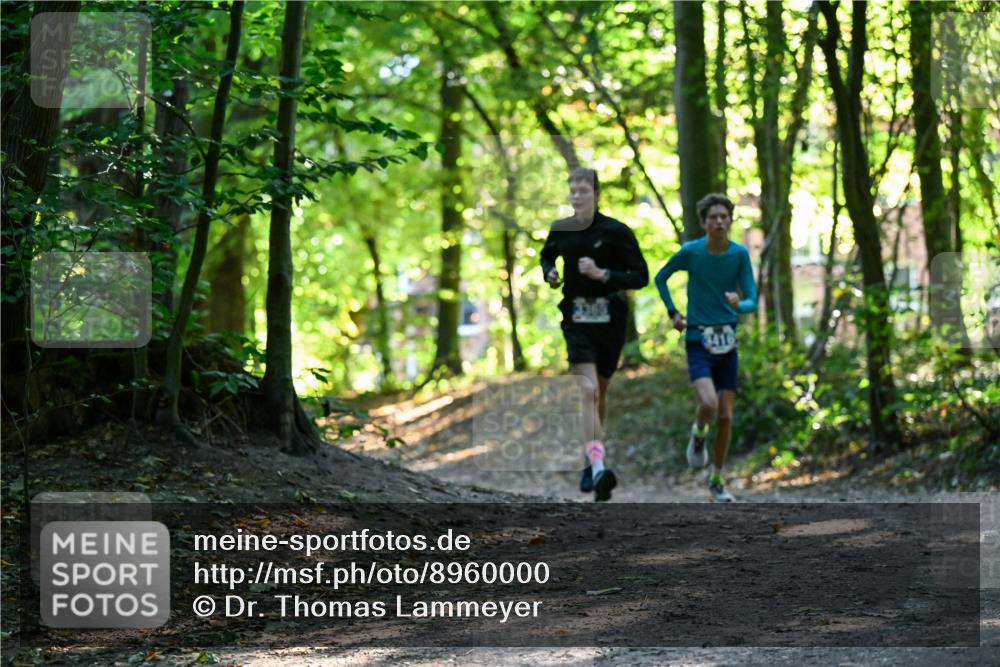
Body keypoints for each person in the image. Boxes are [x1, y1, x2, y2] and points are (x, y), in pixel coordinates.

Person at [540, 167, 649, 502]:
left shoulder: (616, 231)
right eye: (572, 189)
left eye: (583, 190)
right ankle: (599, 467)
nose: (576, 195)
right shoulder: (562, 228)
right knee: (586, 390)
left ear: (596, 194)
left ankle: (592, 459)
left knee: (599, 392)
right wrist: (550, 273)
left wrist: (603, 274)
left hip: (611, 320)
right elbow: (547, 255)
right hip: (576, 318)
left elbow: (641, 276)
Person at [654, 193, 757, 502]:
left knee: (725, 416)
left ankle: (717, 479)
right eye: (713, 217)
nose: (719, 222)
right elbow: (661, 278)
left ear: (731, 220)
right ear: (704, 222)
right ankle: (698, 433)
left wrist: (741, 303)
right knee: (709, 405)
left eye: (724, 216)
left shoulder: (739, 255)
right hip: (698, 340)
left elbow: (752, 299)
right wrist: (673, 312)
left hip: (727, 342)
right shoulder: (691, 252)